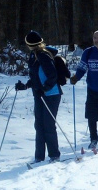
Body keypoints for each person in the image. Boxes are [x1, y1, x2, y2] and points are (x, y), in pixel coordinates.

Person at [15, 30, 63, 163]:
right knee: (39, 125)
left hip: (51, 94)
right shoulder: (34, 55)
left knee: (48, 124)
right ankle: (39, 157)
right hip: (40, 94)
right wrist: (25, 86)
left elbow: (52, 76)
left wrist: (45, 88)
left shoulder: (43, 55)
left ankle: (54, 155)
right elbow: (36, 77)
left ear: (29, 44)